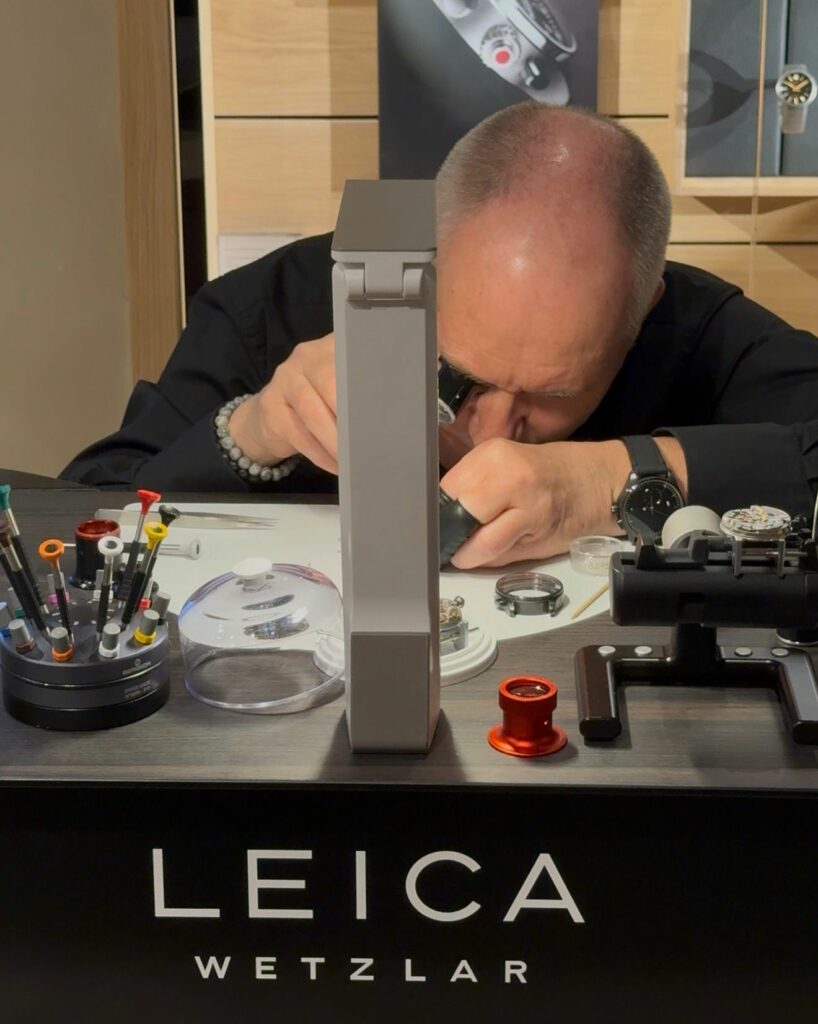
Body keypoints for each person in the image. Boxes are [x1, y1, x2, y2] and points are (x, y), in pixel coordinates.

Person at [62, 102, 818, 569]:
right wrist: (253, 432)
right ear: (423, 264)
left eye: (552, 395)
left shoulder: (695, 332)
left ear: (641, 313)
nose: (489, 435)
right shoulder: (276, 306)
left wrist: (615, 479)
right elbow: (80, 520)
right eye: (461, 376)